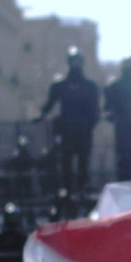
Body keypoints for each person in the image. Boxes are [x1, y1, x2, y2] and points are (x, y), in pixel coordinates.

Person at [34, 46, 100, 198]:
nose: (75, 64)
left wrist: (89, 126)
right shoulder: (60, 85)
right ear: (69, 62)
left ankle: (81, 188)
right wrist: (41, 116)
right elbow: (50, 104)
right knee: (66, 162)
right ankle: (68, 190)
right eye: (73, 61)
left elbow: (95, 111)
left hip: (83, 131)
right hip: (67, 131)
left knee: (83, 162)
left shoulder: (90, 87)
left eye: (77, 61)